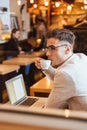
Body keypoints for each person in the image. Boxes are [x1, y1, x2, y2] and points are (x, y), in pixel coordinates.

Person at [35, 28, 87, 111]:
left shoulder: (65, 75)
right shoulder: (81, 57)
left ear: (67, 49)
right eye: (47, 48)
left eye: (52, 48)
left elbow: (50, 111)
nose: (47, 53)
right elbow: (62, 76)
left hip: (81, 122)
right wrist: (46, 68)